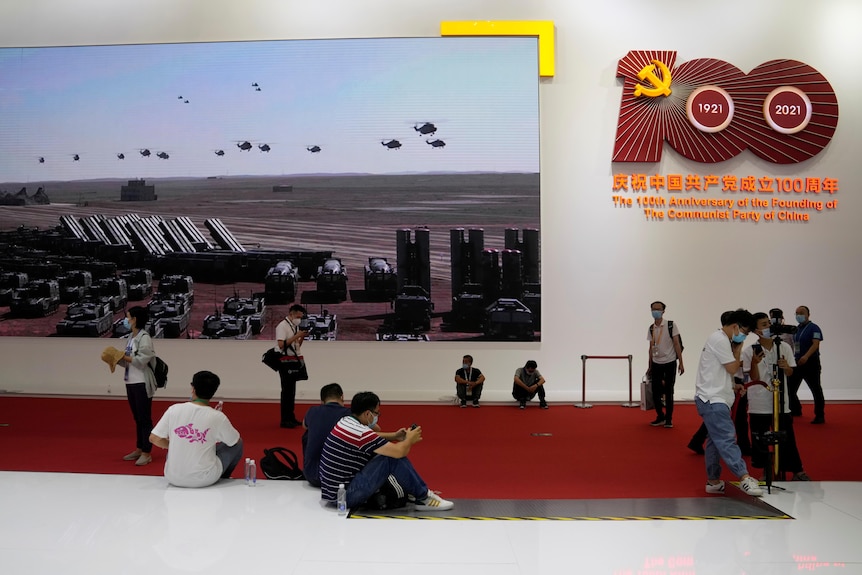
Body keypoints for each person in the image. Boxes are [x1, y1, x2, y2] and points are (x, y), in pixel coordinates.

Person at [318, 391, 454, 511]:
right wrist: (409, 440)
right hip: (344, 497)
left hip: (333, 493)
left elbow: (370, 438)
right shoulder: (361, 433)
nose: (377, 416)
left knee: (382, 453)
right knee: (390, 458)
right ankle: (424, 498)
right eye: (376, 413)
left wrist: (394, 436)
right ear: (367, 413)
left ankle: (416, 491)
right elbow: (398, 452)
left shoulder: (346, 422)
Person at [695, 309, 763, 497]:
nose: (744, 336)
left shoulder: (720, 339)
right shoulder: (720, 339)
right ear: (736, 327)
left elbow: (718, 372)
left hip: (713, 397)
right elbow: (732, 367)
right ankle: (744, 477)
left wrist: (733, 387)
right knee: (726, 438)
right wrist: (739, 348)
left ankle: (713, 481)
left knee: (715, 442)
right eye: (745, 332)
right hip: (713, 400)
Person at [742, 312, 810, 481]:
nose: (768, 327)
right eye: (763, 325)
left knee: (787, 437)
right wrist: (754, 364)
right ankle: (766, 470)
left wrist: (786, 366)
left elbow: (790, 372)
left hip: (781, 401)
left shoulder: (784, 347)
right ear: (756, 330)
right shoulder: (750, 351)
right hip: (759, 401)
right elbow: (755, 378)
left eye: (768, 323)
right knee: (761, 438)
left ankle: (796, 469)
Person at [149, 370, 243, 488]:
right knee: (238, 444)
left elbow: (154, 438)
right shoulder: (218, 417)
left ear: (193, 388)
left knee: (177, 445)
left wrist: (175, 444)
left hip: (172, 477)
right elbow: (234, 441)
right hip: (204, 479)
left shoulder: (174, 409)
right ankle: (223, 476)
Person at [117, 306, 156, 466]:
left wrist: (124, 357)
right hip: (131, 381)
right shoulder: (131, 337)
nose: (126, 320)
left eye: (128, 317)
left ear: (135, 319)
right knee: (137, 418)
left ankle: (147, 452)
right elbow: (128, 360)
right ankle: (139, 448)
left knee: (144, 418)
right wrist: (116, 358)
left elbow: (142, 359)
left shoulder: (144, 338)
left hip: (141, 383)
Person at [302, 383, 352, 488]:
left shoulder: (312, 411)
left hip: (312, 475)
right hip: (340, 478)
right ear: (342, 397)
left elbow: (304, 425)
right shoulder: (349, 413)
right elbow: (374, 428)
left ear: (322, 401)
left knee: (307, 434)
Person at [647, 301, 684, 428]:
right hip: (656, 363)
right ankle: (660, 416)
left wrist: (681, 362)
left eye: (658, 309)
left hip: (670, 362)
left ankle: (669, 418)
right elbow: (650, 347)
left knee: (669, 391)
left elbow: (677, 344)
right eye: (653, 309)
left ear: (663, 311)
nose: (655, 311)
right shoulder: (651, 328)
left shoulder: (670, 325)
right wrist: (650, 365)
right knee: (655, 391)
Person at [787, 306, 825, 424]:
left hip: (811, 362)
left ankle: (820, 415)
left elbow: (815, 344)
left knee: (815, 389)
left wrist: (806, 356)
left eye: (801, 313)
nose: (799, 315)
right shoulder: (797, 329)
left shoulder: (814, 328)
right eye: (797, 313)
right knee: (790, 388)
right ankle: (796, 409)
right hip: (798, 362)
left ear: (808, 314)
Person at [275, 304, 309, 428]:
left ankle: (291, 417)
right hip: (284, 363)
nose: (299, 319)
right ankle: (285, 419)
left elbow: (295, 345)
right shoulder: (282, 326)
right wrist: (297, 336)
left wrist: (301, 337)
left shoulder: (294, 326)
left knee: (291, 392)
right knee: (286, 392)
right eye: (298, 316)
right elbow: (281, 344)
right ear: (292, 313)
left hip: (292, 360)